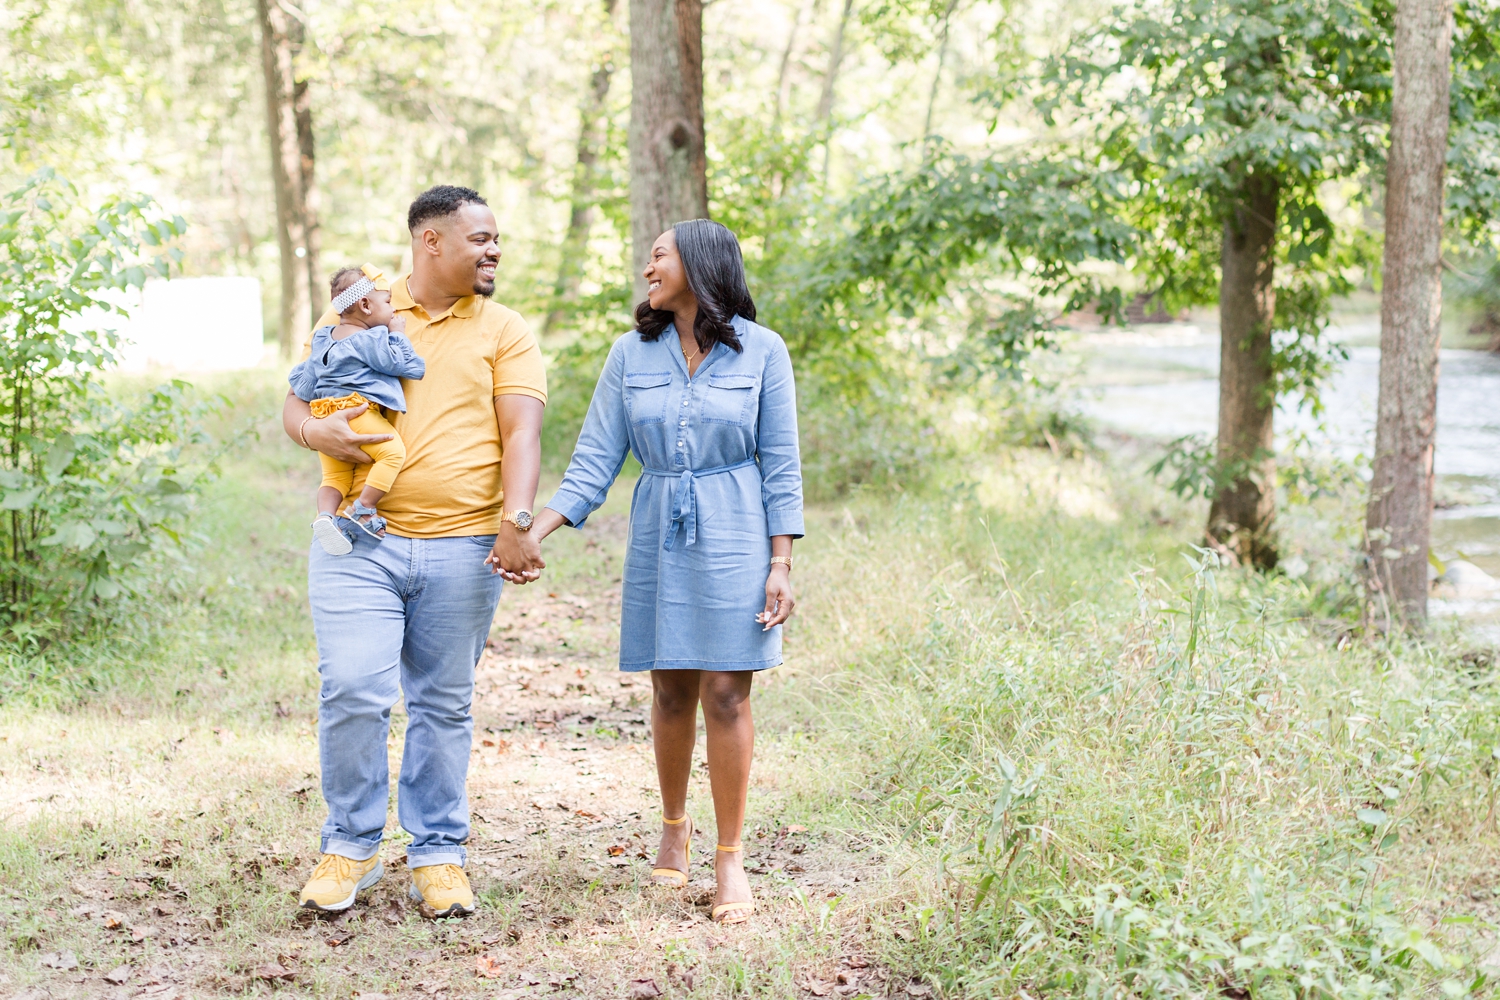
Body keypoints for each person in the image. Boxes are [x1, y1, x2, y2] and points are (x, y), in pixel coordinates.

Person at [282, 185, 548, 918]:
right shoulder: (355, 306)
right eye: (481, 238)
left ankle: (437, 853)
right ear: (431, 241)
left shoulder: (505, 329)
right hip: (358, 544)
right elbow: (296, 402)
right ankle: (351, 845)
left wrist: (516, 518)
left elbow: (522, 433)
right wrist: (317, 435)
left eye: (498, 240)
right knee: (354, 690)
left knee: (442, 704)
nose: (495, 250)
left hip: (462, 546)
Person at [528, 219, 803, 925]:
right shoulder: (631, 353)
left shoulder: (764, 352)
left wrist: (781, 564)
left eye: (659, 255)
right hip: (659, 529)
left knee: (727, 693)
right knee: (672, 687)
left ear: (701, 264)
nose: (647, 267)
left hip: (738, 526)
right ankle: (674, 827)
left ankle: (731, 857)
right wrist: (534, 528)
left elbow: (781, 466)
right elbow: (595, 458)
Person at [289, 264, 426, 554]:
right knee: (392, 454)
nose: (393, 310)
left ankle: (325, 517)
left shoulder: (323, 338)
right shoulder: (370, 339)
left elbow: (304, 384)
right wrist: (398, 334)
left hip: (325, 415)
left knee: (335, 478)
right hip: (357, 412)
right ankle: (363, 509)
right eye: (388, 302)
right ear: (365, 305)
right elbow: (408, 366)